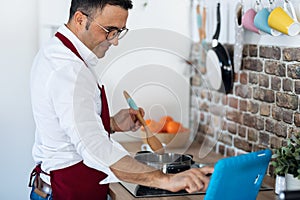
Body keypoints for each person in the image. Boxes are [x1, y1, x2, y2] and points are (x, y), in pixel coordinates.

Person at [29, 0, 214, 199]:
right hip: (65, 192)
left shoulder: (59, 51)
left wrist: (113, 124)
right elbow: (94, 147)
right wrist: (165, 180)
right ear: (80, 19)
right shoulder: (68, 69)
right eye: (109, 30)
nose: (114, 40)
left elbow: (68, 127)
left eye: (119, 31)